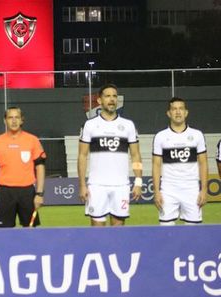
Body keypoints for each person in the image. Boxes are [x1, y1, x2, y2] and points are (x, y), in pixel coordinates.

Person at [77, 83, 143, 226]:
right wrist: (82, 184)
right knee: (97, 231)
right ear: (100, 101)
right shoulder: (90, 125)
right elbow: (82, 155)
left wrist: (138, 181)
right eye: (107, 96)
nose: (112, 99)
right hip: (96, 185)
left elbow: (136, 155)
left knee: (118, 231)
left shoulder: (128, 125)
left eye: (114, 96)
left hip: (121, 186)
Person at [0, 106, 47, 227]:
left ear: (22, 120)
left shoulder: (32, 140)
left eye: (17, 117)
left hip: (27, 192)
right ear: (5, 120)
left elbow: (40, 168)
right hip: (5, 193)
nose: (14, 121)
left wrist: (39, 194)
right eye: (10, 117)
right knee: (5, 234)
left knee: (30, 231)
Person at [152, 97, 208, 225]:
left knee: (194, 233)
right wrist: (156, 192)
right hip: (168, 190)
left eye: (181, 109)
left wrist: (204, 190)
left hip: (192, 190)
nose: (178, 112)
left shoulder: (197, 135)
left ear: (186, 112)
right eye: (174, 109)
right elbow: (156, 165)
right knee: (165, 233)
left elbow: (203, 163)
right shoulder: (161, 136)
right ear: (168, 113)